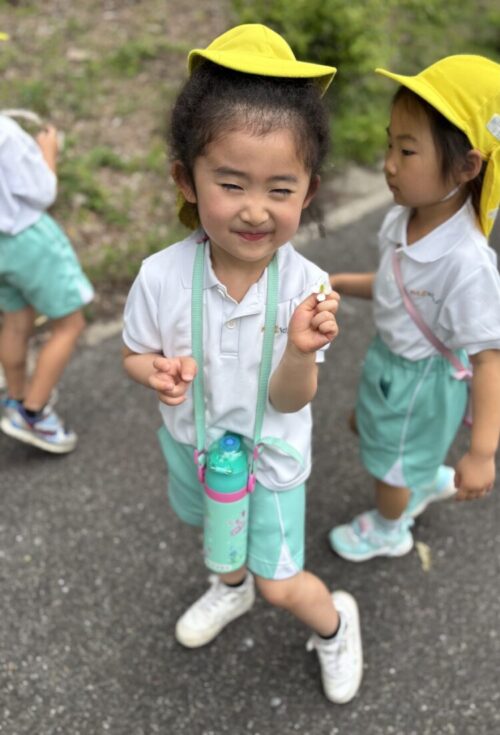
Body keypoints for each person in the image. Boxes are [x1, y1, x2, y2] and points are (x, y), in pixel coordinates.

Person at [122, 24, 363, 704]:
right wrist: (153, 372)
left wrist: (300, 350)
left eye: (280, 189)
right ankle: (229, 587)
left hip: (272, 460)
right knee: (214, 536)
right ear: (186, 179)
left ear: (308, 191)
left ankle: (336, 622)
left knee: (280, 583)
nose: (255, 210)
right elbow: (135, 353)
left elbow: (289, 400)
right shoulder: (161, 276)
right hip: (194, 448)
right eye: (231, 183)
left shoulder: (307, 287)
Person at [328, 55, 500, 562]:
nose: (388, 163)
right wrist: (341, 283)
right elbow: (393, 285)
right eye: (389, 144)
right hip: (389, 365)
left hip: (419, 382)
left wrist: (482, 453)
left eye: (407, 150)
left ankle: (389, 529)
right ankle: (422, 476)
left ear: (467, 166)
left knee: (389, 466)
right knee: (386, 440)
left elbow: (489, 359)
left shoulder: (467, 263)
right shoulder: (405, 217)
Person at [0, 114, 94, 453]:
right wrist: (48, 151)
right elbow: (43, 192)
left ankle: (16, 397)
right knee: (70, 324)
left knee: (16, 321)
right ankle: (33, 413)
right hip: (27, 241)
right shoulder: (6, 134)